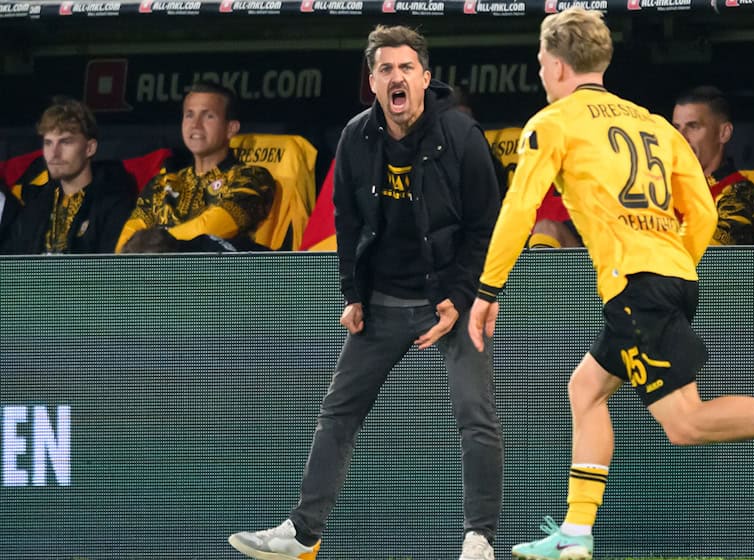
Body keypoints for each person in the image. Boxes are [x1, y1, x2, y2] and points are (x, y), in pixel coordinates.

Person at [465, 9, 754, 560]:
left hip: (635, 286)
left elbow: (519, 209)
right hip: (672, 276)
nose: (541, 73)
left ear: (558, 66)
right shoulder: (655, 124)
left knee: (684, 423)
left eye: (541, 63)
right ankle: (576, 533)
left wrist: (488, 292)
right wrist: (669, 260)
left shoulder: (553, 122)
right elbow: (702, 213)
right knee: (585, 389)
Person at [228, 25, 503, 560]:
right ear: (372, 81)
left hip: (452, 298)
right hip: (382, 301)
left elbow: (486, 225)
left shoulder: (462, 135)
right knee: (338, 412)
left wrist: (458, 293)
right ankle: (303, 534)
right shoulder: (357, 136)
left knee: (476, 413)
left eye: (406, 68)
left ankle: (479, 539)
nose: (396, 77)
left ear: (425, 77)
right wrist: (351, 294)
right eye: (384, 69)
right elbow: (347, 221)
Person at [114, 82, 274, 252]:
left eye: (208, 116)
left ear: (230, 128)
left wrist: (154, 244)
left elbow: (212, 227)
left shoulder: (251, 178)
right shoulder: (161, 184)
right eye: (189, 115)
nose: (195, 125)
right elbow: (127, 241)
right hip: (156, 275)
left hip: (217, 275)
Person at [1, 97, 136, 254]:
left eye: (66, 142)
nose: (54, 153)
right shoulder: (35, 208)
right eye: (48, 143)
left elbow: (113, 272)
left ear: (90, 148)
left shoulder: (114, 205)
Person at [672, 86, 754, 245]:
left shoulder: (740, 196)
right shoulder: (660, 187)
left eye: (693, 127)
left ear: (724, 133)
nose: (681, 138)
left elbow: (713, 255)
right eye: (676, 128)